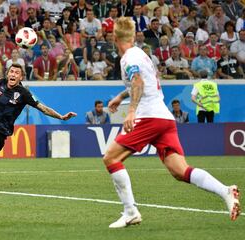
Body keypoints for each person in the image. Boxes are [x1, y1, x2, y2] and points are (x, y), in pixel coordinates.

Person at [103, 17, 240, 229]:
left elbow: (138, 81)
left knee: (111, 158)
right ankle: (226, 191)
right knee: (180, 171)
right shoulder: (141, 54)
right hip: (165, 118)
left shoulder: (128, 58)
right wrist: (122, 96)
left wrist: (130, 111)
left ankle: (130, 212)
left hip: (148, 117)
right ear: (131, 36)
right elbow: (143, 81)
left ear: (114, 37)